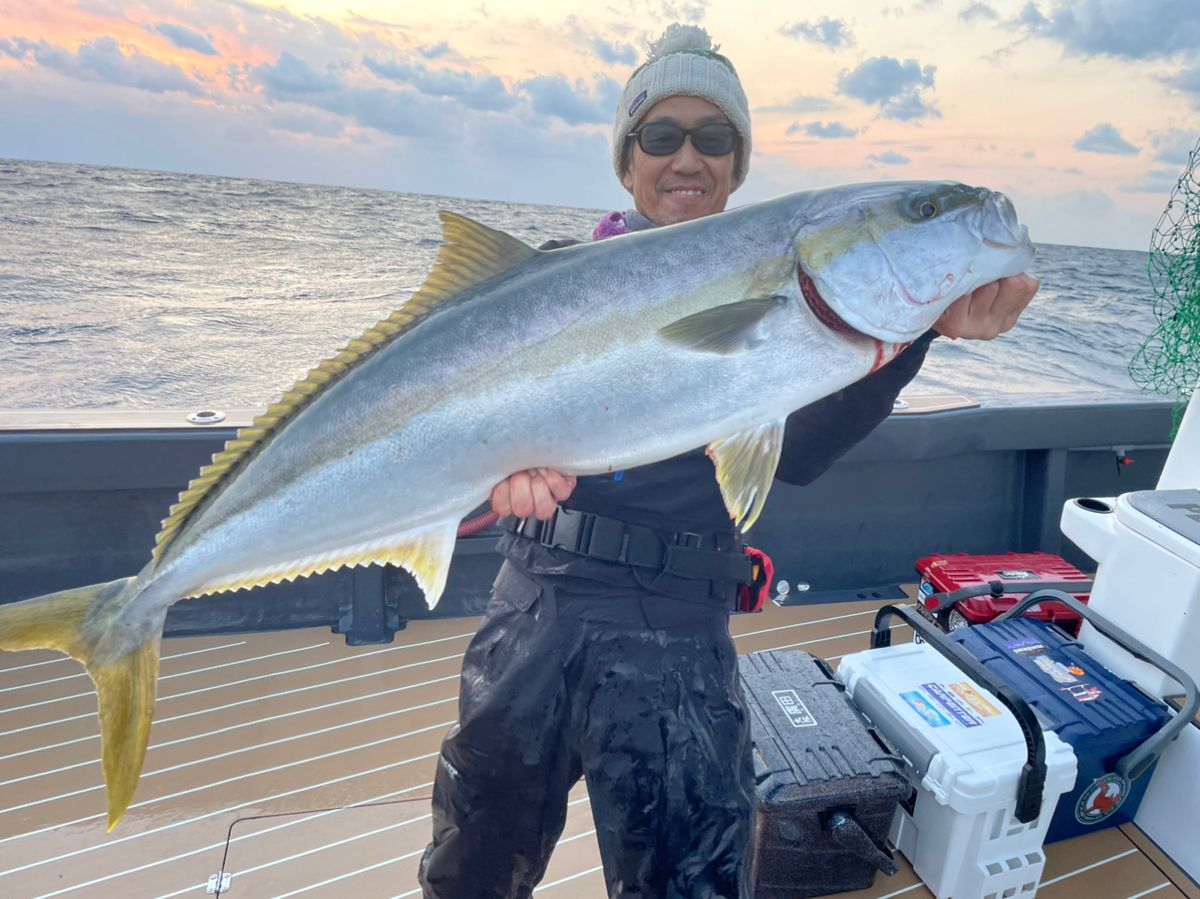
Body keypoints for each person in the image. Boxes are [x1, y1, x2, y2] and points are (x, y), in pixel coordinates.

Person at [419, 24, 1038, 899]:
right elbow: (458, 423)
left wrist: (917, 330)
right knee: (472, 860)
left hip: (675, 624)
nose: (687, 157)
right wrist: (497, 479)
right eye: (661, 135)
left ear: (738, 166)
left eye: (714, 139)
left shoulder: (786, 298)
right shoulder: (551, 277)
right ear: (626, 161)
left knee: (687, 883)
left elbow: (803, 454)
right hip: (536, 600)